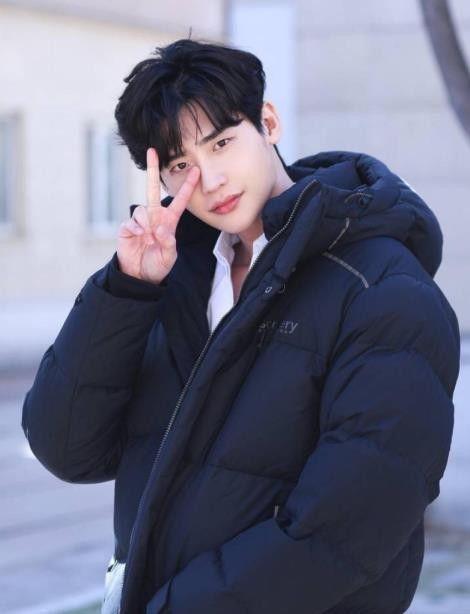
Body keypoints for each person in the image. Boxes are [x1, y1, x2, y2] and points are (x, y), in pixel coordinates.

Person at [21, 38, 461, 614]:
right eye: (181, 165)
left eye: (222, 143)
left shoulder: (382, 289)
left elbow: (345, 530)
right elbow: (67, 448)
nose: (210, 179)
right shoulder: (178, 278)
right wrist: (127, 289)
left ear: (268, 123)